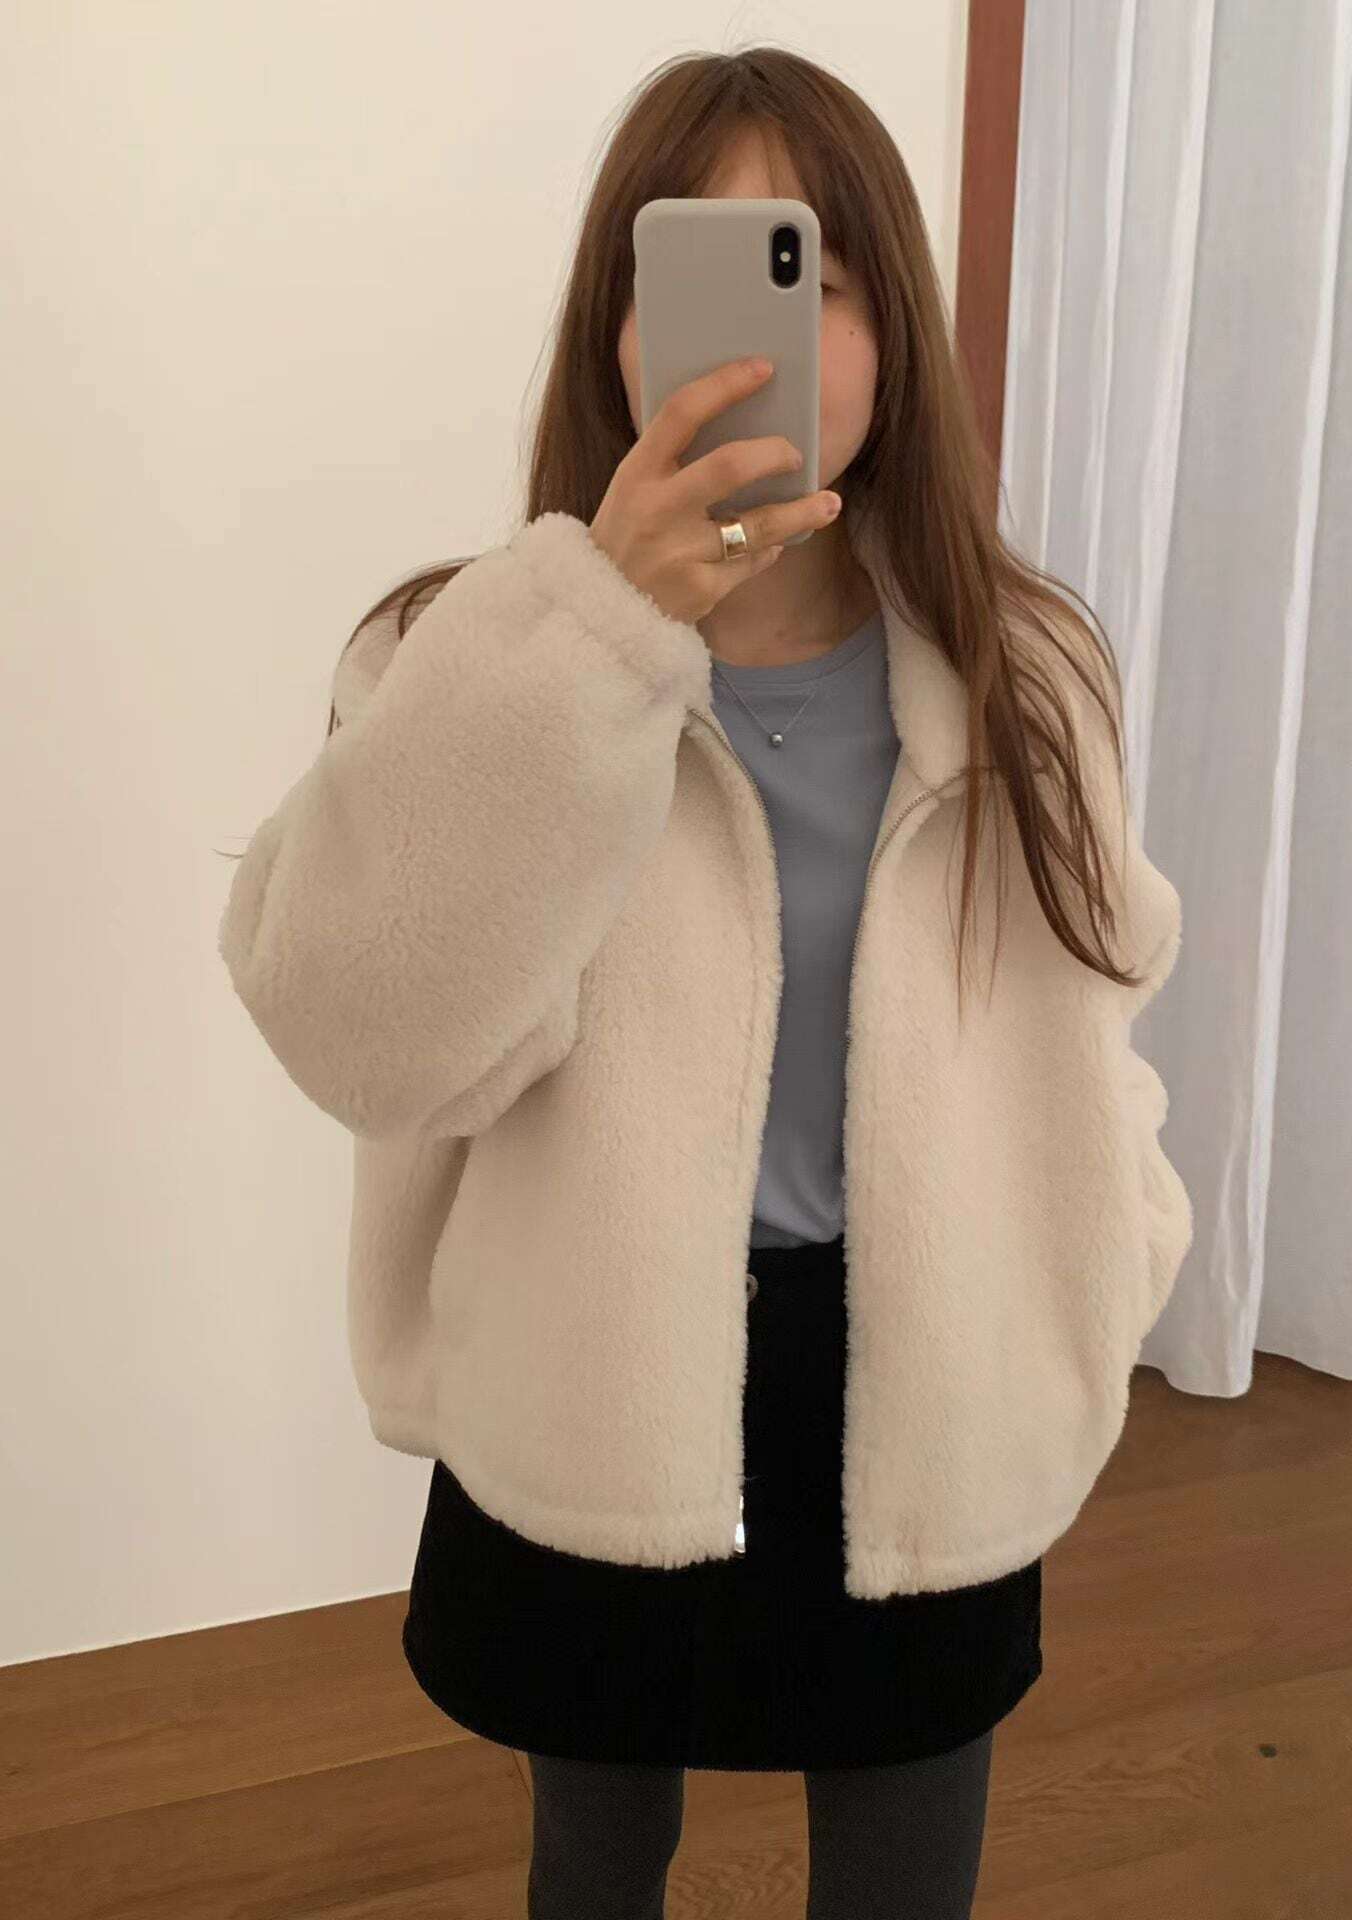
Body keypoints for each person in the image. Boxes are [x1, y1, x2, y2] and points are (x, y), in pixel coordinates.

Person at [218, 45, 1192, 1920]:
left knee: (906, 1879)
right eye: (712, 274)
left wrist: (1104, 1266)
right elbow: (356, 1031)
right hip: (586, 1376)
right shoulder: (457, 654)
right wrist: (595, 631)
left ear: (895, 336)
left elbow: (1097, 1015)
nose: (773, 337)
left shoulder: (1025, 670)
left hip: (922, 1380)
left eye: (819, 276)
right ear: (621, 330)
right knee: (594, 1865)